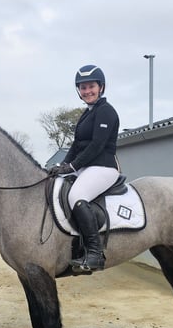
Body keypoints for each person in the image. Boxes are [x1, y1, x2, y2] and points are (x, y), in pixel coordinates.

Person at [49, 64, 120, 271]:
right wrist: (63, 166)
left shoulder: (106, 111)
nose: (87, 91)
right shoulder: (87, 113)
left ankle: (95, 253)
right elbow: (76, 145)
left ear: (101, 87)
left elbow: (97, 145)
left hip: (104, 167)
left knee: (76, 196)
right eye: (83, 87)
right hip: (86, 167)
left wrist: (73, 165)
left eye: (91, 86)